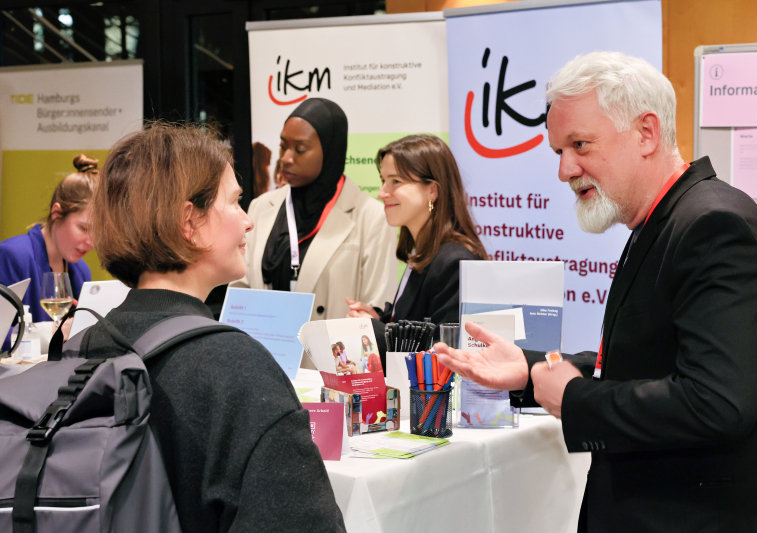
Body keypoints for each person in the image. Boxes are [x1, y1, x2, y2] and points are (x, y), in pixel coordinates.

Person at [435, 52, 757, 533]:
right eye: (558, 151)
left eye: (580, 144)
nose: (565, 170)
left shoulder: (713, 226)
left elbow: (716, 402)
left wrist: (576, 399)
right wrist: (532, 370)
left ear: (646, 132)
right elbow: (648, 362)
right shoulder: (664, 220)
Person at [86, 122, 345, 533]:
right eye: (235, 203)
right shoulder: (238, 369)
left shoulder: (84, 346)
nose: (248, 222)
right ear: (189, 222)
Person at [235, 98, 396, 323]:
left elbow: (375, 312)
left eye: (300, 149)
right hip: (265, 353)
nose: (286, 158)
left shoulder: (372, 217)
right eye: (283, 145)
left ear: (331, 151)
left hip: (330, 356)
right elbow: (241, 291)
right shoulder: (261, 207)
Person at [346, 135, 489, 359]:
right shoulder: (423, 252)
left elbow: (443, 354)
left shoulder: (455, 261)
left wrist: (374, 332)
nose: (382, 193)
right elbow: (419, 325)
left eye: (396, 181)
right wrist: (379, 319)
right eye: (383, 180)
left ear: (433, 190)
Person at [0, 154, 97, 349]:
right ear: (56, 213)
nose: (91, 242)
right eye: (84, 228)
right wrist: (50, 334)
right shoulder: (12, 255)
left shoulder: (81, 271)